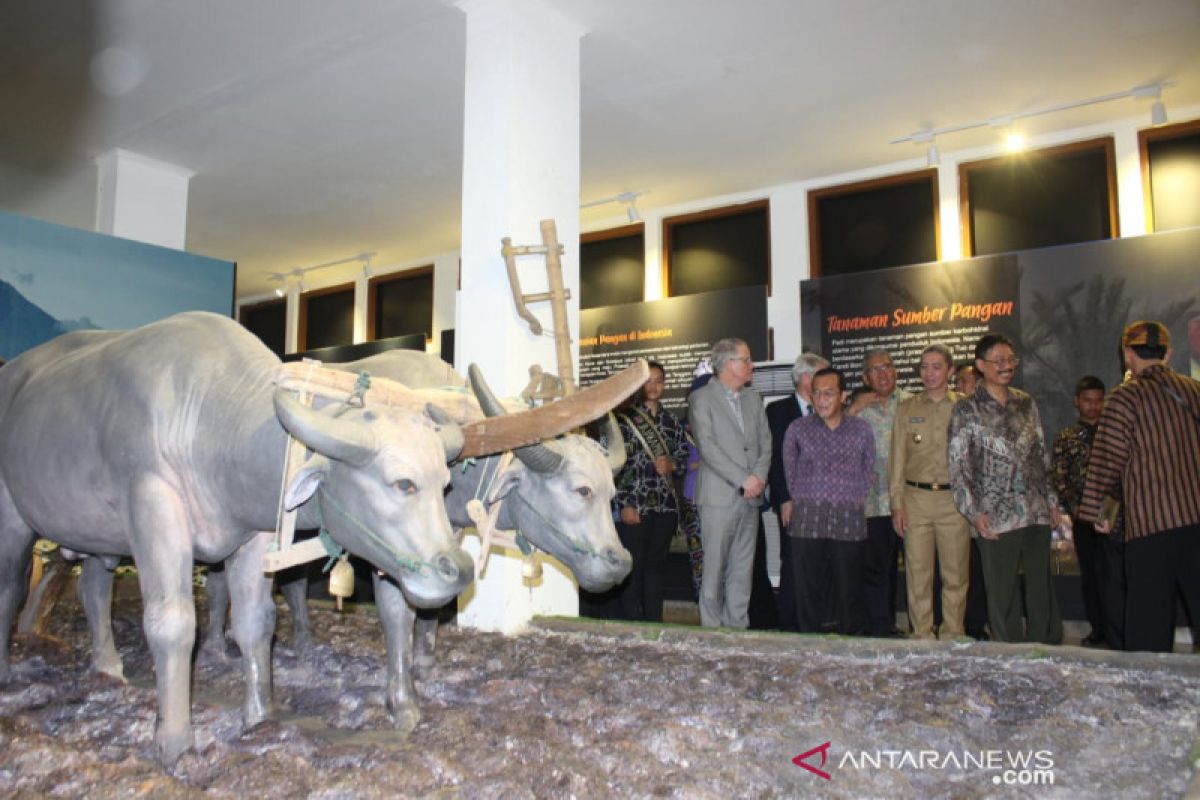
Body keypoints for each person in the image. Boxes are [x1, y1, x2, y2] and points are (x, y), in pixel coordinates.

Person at [1080, 321, 1200, 653]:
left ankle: (1150, 691)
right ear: (1169, 353)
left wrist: (1100, 515)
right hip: (1197, 519)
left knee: (1149, 618)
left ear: (1128, 354)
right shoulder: (1194, 390)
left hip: (1151, 525)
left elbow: (1107, 462)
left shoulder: (1125, 397)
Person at [948, 333, 1063, 644]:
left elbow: (1041, 453)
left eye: (1011, 359)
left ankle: (1046, 648)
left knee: (1041, 588)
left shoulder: (1026, 402)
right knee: (1002, 593)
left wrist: (1052, 501)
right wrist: (973, 513)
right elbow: (958, 468)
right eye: (998, 360)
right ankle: (1009, 655)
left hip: (1035, 509)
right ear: (981, 365)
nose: (1006, 365)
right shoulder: (965, 410)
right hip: (995, 515)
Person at [782, 367, 874, 634]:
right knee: (808, 590)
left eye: (828, 394)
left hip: (848, 519)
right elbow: (790, 471)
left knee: (849, 589)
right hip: (807, 520)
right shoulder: (797, 429)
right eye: (817, 394)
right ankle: (810, 645)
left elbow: (868, 471)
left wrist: (851, 498)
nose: (821, 400)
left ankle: (850, 645)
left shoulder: (861, 430)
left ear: (844, 396)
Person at [688, 338, 771, 628]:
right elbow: (708, 447)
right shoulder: (702, 399)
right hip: (718, 498)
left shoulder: (753, 398)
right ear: (727, 364)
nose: (752, 366)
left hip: (751, 496)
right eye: (746, 360)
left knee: (742, 569)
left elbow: (766, 443)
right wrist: (744, 479)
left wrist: (758, 478)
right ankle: (711, 630)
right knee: (714, 569)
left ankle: (738, 628)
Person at [889, 343, 970, 640]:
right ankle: (921, 634)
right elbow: (897, 460)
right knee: (918, 573)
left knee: (956, 574)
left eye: (936, 367)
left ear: (949, 370)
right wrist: (897, 504)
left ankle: (952, 632)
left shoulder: (964, 406)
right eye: (924, 367)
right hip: (916, 500)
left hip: (954, 501)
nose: (929, 373)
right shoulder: (907, 409)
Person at [613, 361, 688, 622]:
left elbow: (683, 459)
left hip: (665, 506)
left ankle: (654, 623)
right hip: (636, 504)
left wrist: (673, 464)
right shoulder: (623, 421)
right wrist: (624, 504)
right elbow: (615, 465)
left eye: (658, 381)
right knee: (634, 568)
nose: (653, 386)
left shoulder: (673, 422)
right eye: (648, 381)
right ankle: (632, 623)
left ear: (665, 385)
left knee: (657, 568)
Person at [848, 348, 910, 637]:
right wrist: (851, 409)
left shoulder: (913, 403)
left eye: (887, 367)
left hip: (911, 500)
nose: (883, 373)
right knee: (877, 569)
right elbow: (833, 442)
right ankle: (881, 627)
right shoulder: (857, 408)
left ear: (895, 370)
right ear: (865, 377)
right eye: (875, 369)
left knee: (918, 568)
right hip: (872, 504)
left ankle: (925, 625)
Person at [766, 352, 828, 631]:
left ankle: (821, 619)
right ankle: (790, 624)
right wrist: (784, 498)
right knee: (793, 560)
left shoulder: (830, 408)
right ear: (806, 377)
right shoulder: (777, 411)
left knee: (823, 559)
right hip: (794, 501)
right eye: (823, 374)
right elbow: (776, 460)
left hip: (828, 501)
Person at [1051, 375, 1109, 647]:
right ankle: (1099, 628)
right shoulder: (1067, 438)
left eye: (1098, 400)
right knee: (1092, 576)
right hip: (1084, 518)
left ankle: (1118, 627)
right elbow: (1060, 479)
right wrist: (1077, 509)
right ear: (1077, 402)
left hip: (1115, 518)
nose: (1094, 406)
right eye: (1088, 401)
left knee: (1116, 574)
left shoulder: (1114, 434)